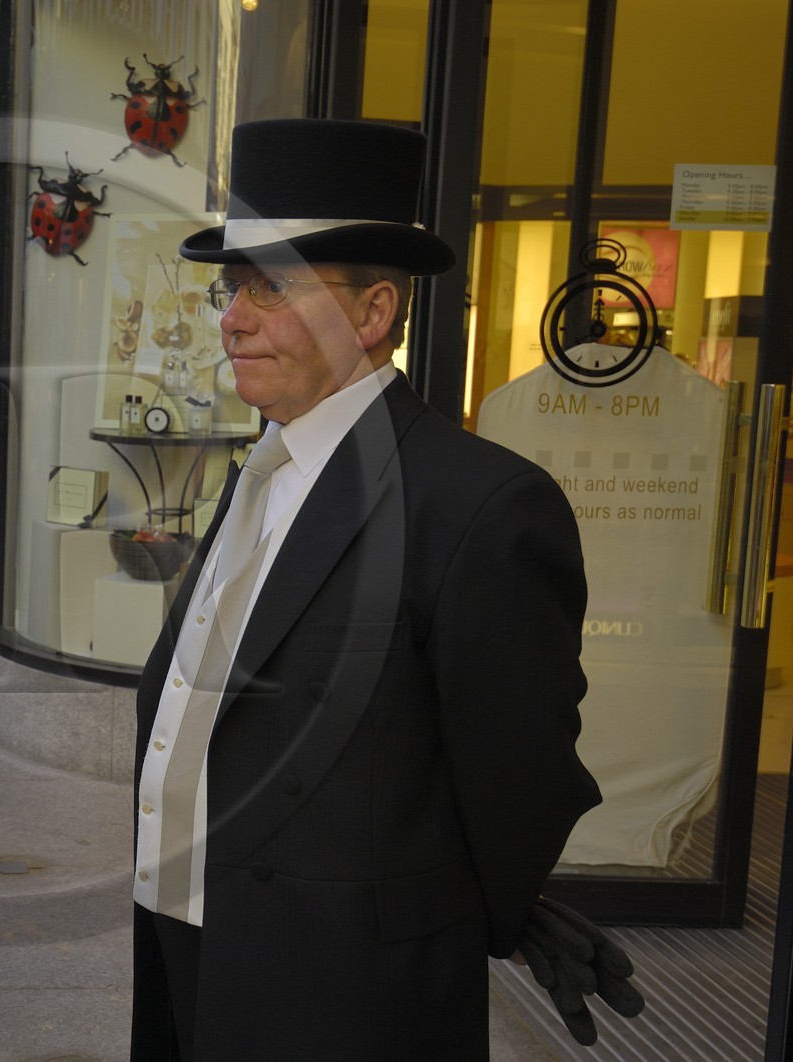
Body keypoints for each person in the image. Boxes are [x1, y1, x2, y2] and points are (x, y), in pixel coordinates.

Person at [128, 119, 601, 1060]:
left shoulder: (481, 505)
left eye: (271, 287)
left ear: (375, 311)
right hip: (184, 938)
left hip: (339, 991)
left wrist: (482, 914)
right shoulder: (263, 465)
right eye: (231, 288)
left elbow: (522, 776)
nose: (232, 318)